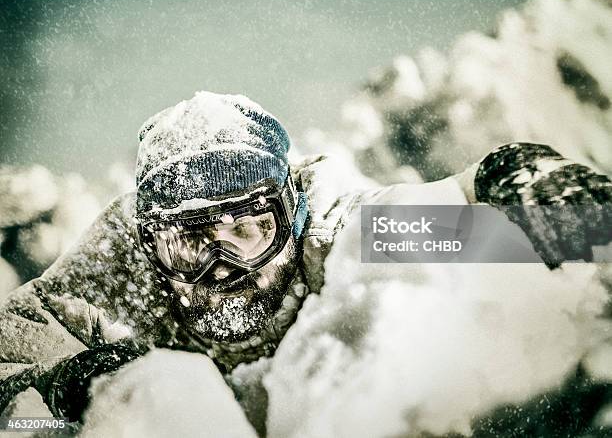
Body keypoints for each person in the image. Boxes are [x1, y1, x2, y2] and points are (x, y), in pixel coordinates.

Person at [0, 91, 610, 426]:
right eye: (188, 240)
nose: (224, 266)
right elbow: (9, 372)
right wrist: (63, 386)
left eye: (250, 227)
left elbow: (450, 227)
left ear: (290, 213)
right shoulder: (116, 270)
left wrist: (518, 177)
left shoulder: (332, 228)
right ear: (148, 237)